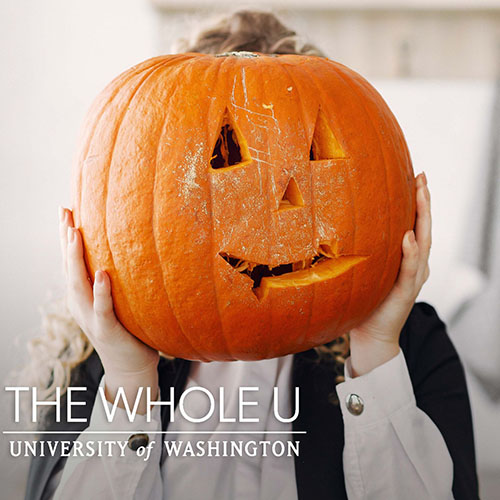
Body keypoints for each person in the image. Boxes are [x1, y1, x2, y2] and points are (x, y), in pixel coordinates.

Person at [24, 10, 478, 500]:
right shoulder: (97, 357)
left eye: (313, 155)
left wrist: (376, 354)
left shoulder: (411, 344)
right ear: (147, 192)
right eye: (227, 157)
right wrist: (130, 382)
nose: (281, 203)